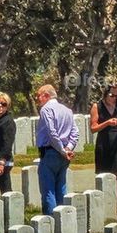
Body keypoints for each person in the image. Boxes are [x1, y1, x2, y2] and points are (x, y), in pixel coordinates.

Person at [35, 84, 79, 215]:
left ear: (47, 96)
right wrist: (68, 148)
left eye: (39, 96)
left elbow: (52, 132)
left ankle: (51, 224)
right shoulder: (67, 110)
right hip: (64, 154)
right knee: (61, 189)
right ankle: (64, 222)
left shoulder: (46, 109)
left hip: (50, 152)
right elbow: (75, 132)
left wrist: (62, 150)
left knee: (48, 191)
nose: (37, 99)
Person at [90, 82, 117, 211]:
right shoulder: (97, 106)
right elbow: (93, 128)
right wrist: (107, 123)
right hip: (104, 143)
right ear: (106, 93)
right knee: (104, 175)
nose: (114, 98)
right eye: (112, 95)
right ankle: (103, 207)